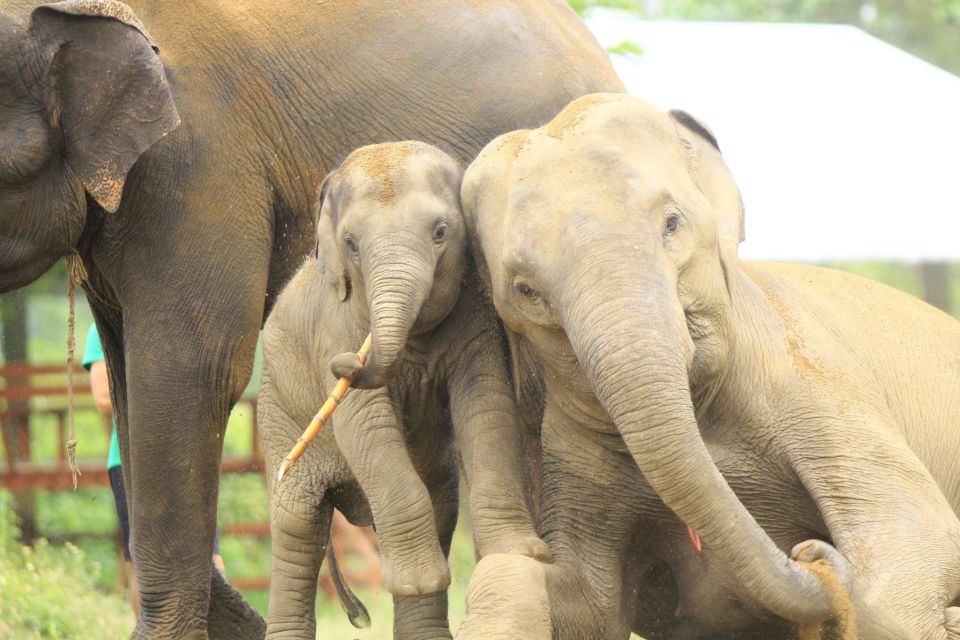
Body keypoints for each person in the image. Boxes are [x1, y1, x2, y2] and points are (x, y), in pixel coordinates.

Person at [82, 323, 225, 615]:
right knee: (143, 564)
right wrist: (162, 385)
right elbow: (104, 400)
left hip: (186, 456)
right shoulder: (101, 328)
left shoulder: (174, 321)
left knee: (210, 557)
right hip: (130, 460)